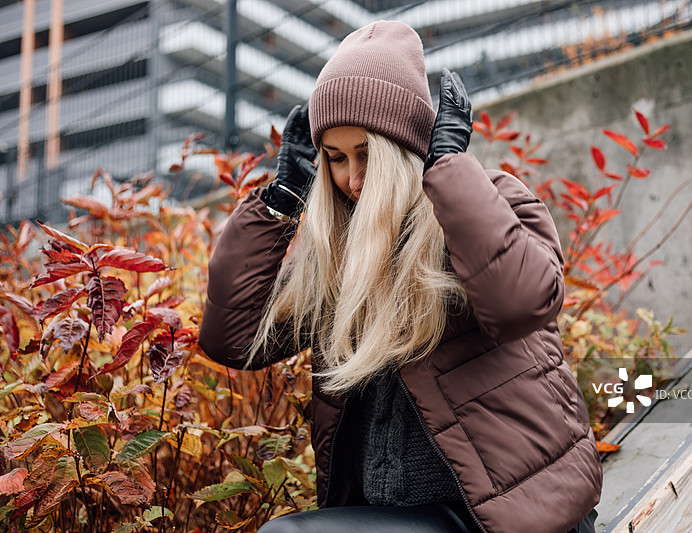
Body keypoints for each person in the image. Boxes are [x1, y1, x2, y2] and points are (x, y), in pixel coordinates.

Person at [199, 20, 602, 533]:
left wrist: (449, 170)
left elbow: (522, 304)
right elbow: (233, 341)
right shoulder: (340, 253)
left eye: (367, 154)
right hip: (395, 518)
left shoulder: (487, 201)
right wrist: (280, 204)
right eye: (335, 158)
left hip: (511, 515)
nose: (352, 178)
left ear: (403, 148)